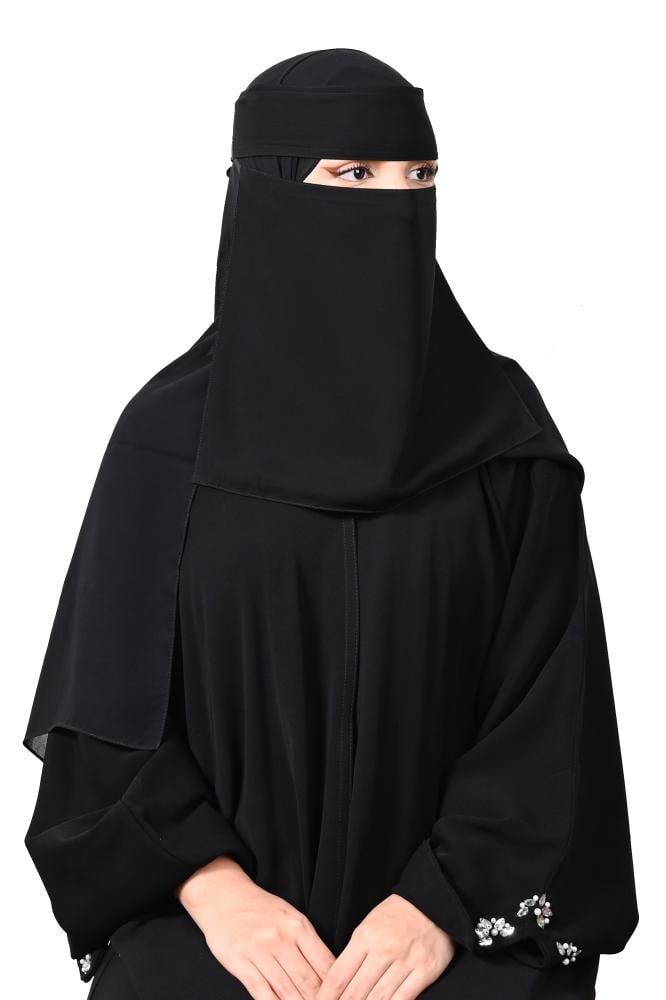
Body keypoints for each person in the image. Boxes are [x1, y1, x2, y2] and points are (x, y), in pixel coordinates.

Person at [23, 48, 638, 1000]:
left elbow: (554, 723)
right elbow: (105, 724)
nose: (396, 203)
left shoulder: (503, 438)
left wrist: (434, 904)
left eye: (418, 176)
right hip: (222, 932)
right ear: (269, 193)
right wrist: (220, 892)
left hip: (456, 929)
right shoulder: (171, 443)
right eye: (354, 174)